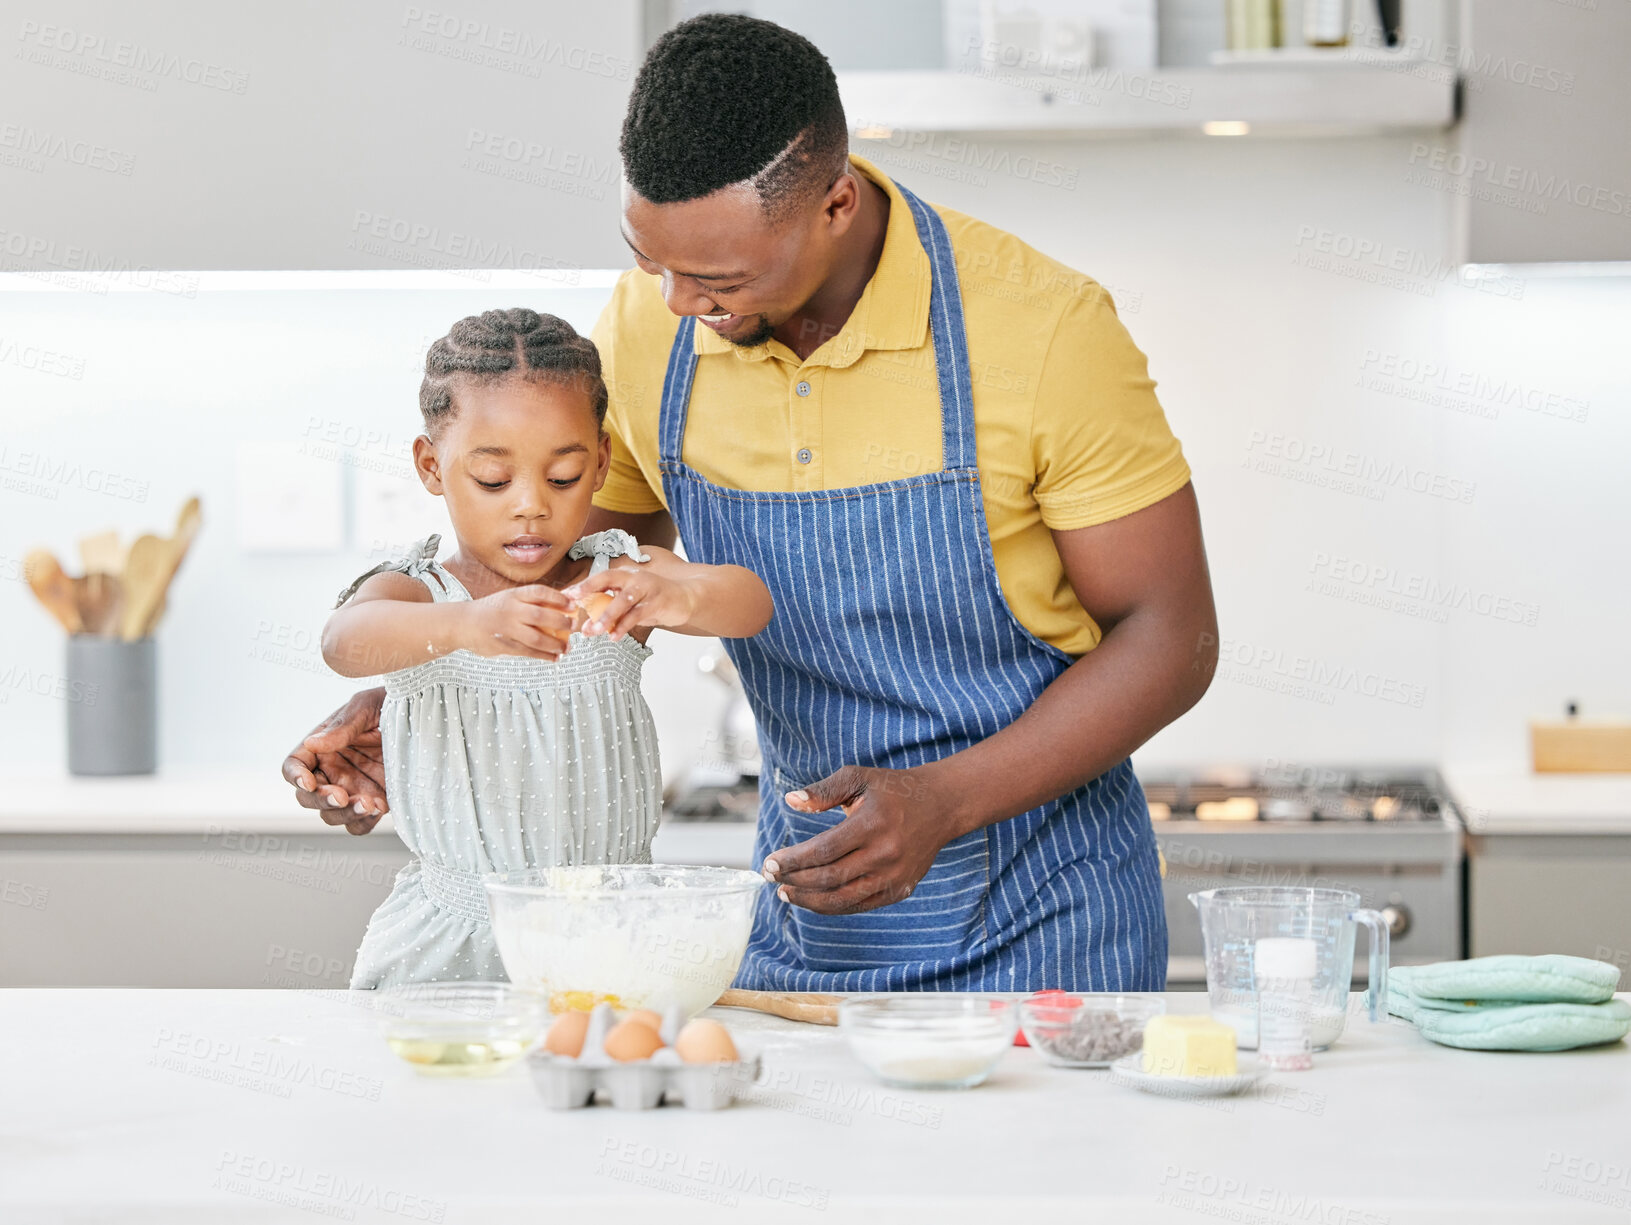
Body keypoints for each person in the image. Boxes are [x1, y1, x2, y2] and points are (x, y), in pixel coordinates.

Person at [283, 16, 1218, 993]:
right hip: (803, 906)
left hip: (1046, 917)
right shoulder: (652, 326)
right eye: (653, 263)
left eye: (719, 279)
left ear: (837, 204)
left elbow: (1168, 634)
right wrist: (435, 695)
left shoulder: (1043, 331)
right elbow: (577, 576)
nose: (679, 303)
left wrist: (945, 798)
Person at [315, 307, 771, 987]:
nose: (530, 505)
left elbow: (750, 603)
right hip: (451, 938)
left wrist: (679, 596)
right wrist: (469, 625)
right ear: (431, 466)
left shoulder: (613, 578)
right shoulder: (419, 592)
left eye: (561, 477)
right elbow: (343, 641)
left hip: (615, 931)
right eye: (494, 480)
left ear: (600, 464)